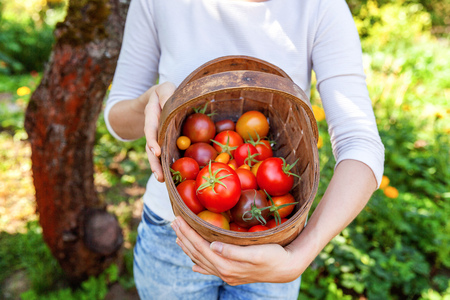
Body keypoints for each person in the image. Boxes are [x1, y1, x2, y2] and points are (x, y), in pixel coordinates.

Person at [105, 0, 385, 299]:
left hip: (273, 247)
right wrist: (150, 101)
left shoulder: (319, 7)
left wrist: (301, 255)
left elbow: (361, 142)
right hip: (172, 236)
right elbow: (116, 120)